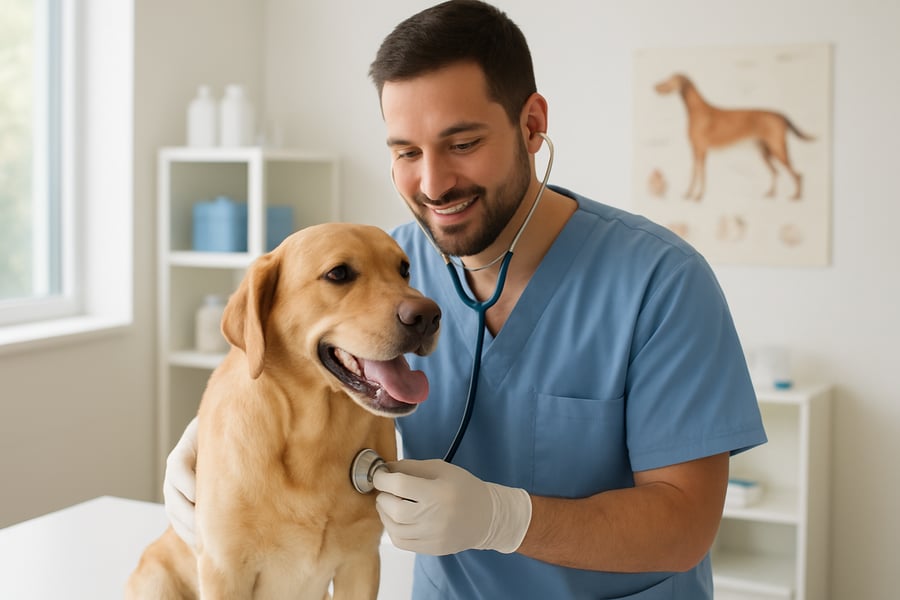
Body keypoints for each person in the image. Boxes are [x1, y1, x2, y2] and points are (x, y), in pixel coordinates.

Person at [164, 1, 767, 598]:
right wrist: (216, 436)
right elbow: (304, 356)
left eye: (462, 143)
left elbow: (686, 524)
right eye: (406, 152)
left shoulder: (661, 282)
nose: (432, 183)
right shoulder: (390, 269)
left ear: (531, 126)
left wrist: (504, 518)